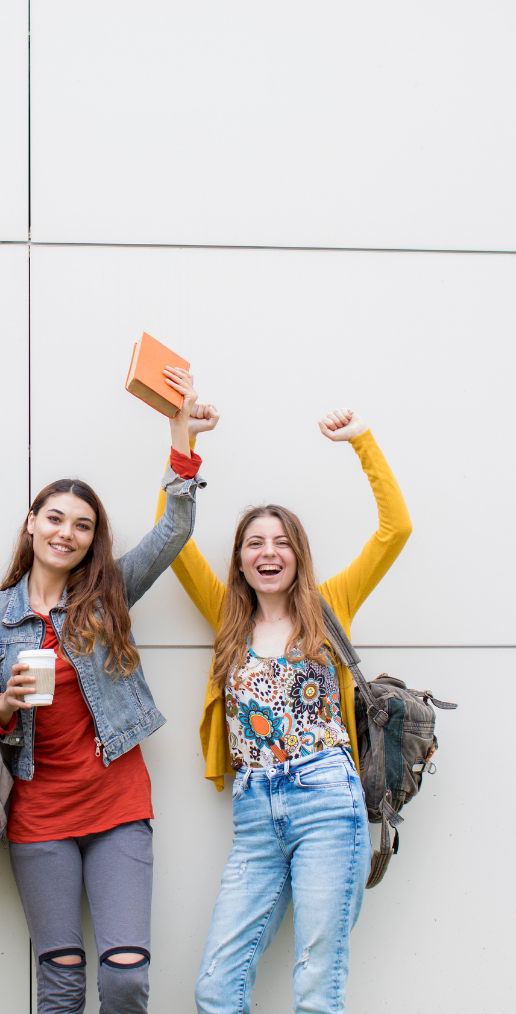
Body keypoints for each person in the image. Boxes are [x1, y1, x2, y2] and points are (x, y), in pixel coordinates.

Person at [0, 366, 210, 1014]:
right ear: (31, 523)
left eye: (80, 525)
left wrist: (180, 439)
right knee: (62, 978)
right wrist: (6, 706)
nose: (65, 533)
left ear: (89, 539)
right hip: (38, 813)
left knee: (126, 976)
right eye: (54, 518)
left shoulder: (108, 596)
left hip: (116, 803)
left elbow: (173, 534)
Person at [155, 407, 412, 1014]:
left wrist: (362, 444)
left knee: (317, 985)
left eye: (281, 542)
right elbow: (170, 537)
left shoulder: (331, 606)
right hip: (254, 811)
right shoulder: (227, 617)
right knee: (217, 987)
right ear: (240, 560)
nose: (268, 553)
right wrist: (182, 443)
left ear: (298, 555)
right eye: (254, 543)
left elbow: (394, 530)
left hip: (328, 799)